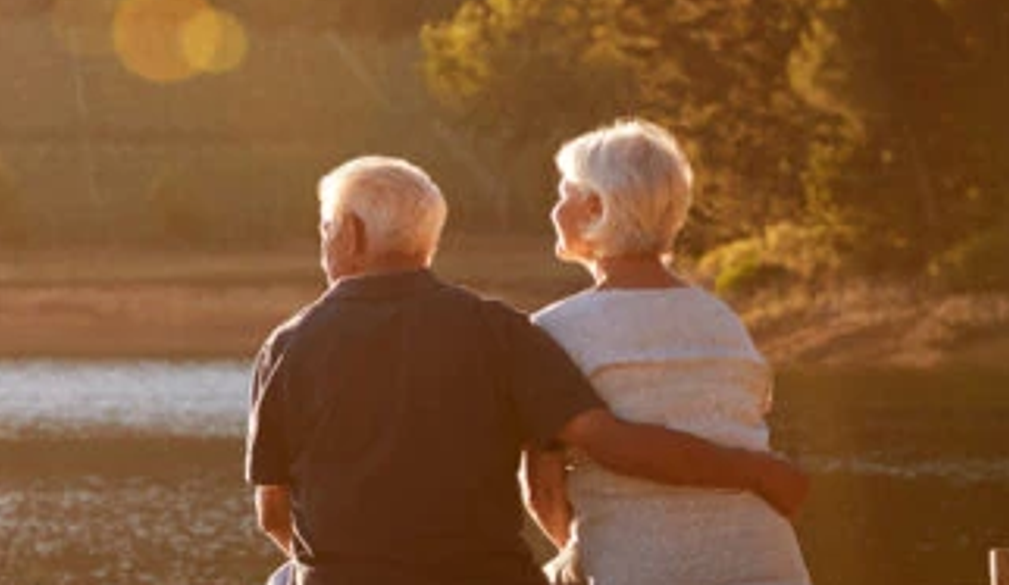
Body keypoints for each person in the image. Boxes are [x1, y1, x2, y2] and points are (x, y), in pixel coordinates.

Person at [249, 155, 807, 585]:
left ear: (350, 234)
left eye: (325, 228)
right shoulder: (499, 330)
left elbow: (273, 513)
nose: (325, 243)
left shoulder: (287, 346)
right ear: (428, 239)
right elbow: (611, 441)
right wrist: (753, 470)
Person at [523, 121, 812, 585]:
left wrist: (580, 555)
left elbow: (544, 491)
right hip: (770, 564)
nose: (554, 210)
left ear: (595, 207)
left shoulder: (552, 331)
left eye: (563, 195)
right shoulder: (723, 320)